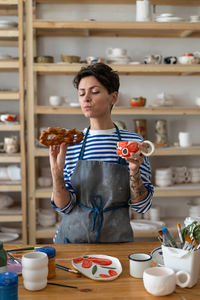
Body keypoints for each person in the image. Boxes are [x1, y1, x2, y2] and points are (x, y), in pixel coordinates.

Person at [49, 63, 154, 244]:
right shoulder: (72, 143)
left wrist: (134, 170)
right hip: (73, 241)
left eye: (94, 92)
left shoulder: (132, 142)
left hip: (116, 241)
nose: (86, 98)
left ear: (113, 97)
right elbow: (64, 207)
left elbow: (141, 206)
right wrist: (56, 175)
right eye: (81, 93)